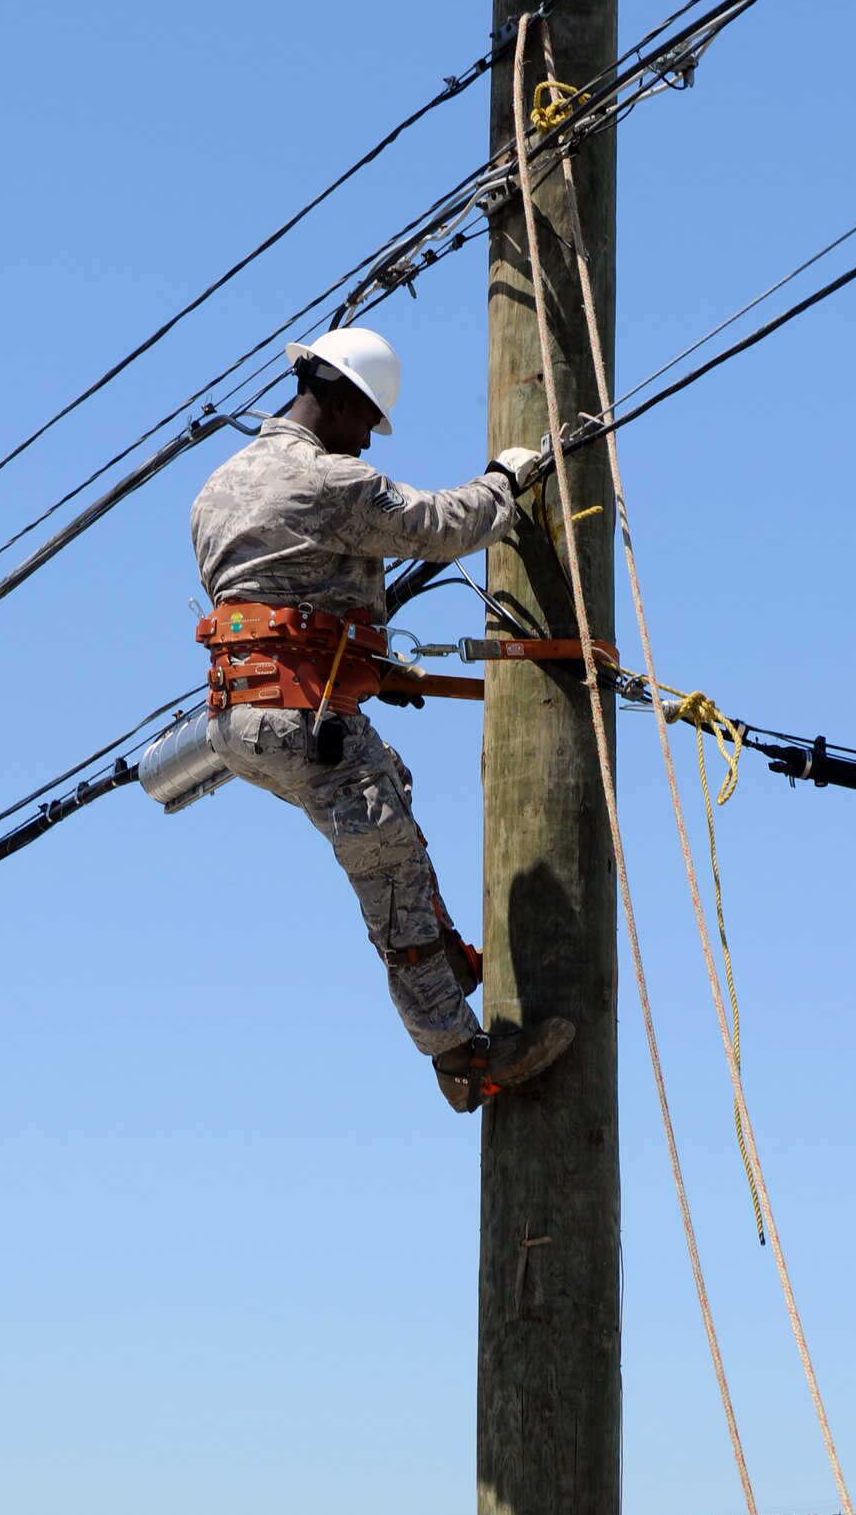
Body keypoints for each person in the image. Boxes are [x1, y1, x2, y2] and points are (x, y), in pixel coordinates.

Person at [189, 326, 575, 1110]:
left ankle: (443, 959)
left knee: (387, 789)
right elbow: (443, 527)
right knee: (386, 868)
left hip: (242, 720)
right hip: (301, 715)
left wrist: (361, 664)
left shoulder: (218, 485)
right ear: (337, 400)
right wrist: (505, 478)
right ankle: (461, 1056)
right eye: (366, 420)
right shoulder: (331, 481)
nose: (367, 439)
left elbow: (280, 600)